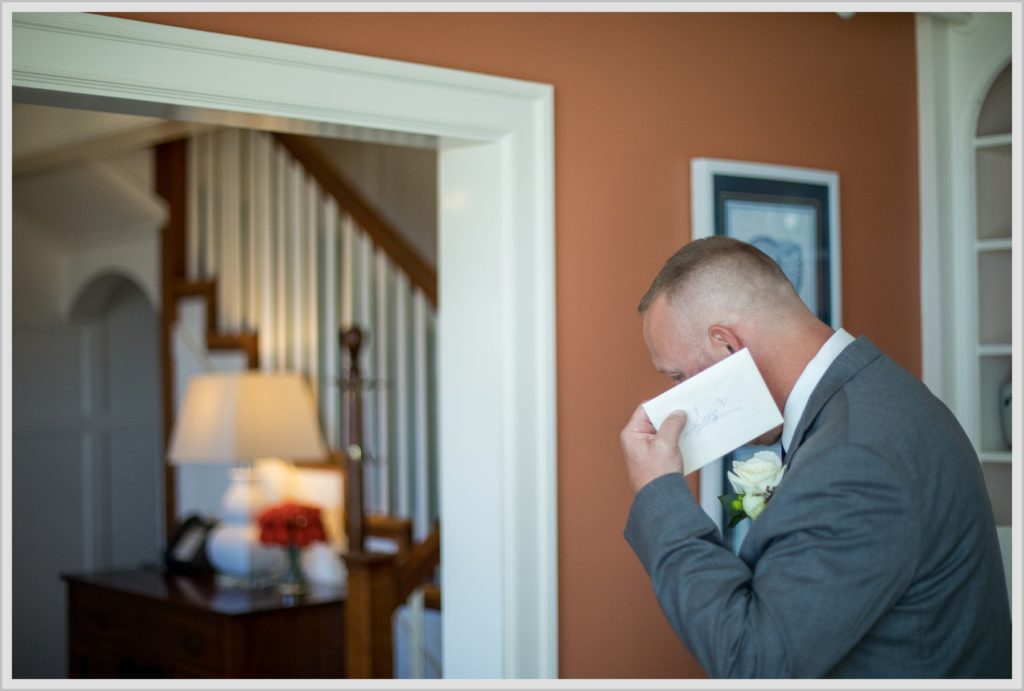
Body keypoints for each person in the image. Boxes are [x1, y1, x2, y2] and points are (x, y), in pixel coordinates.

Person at [621, 236, 1011, 678]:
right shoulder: (879, 392)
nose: (677, 399)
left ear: (727, 346)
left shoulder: (852, 458)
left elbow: (755, 665)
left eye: (677, 377)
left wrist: (659, 495)